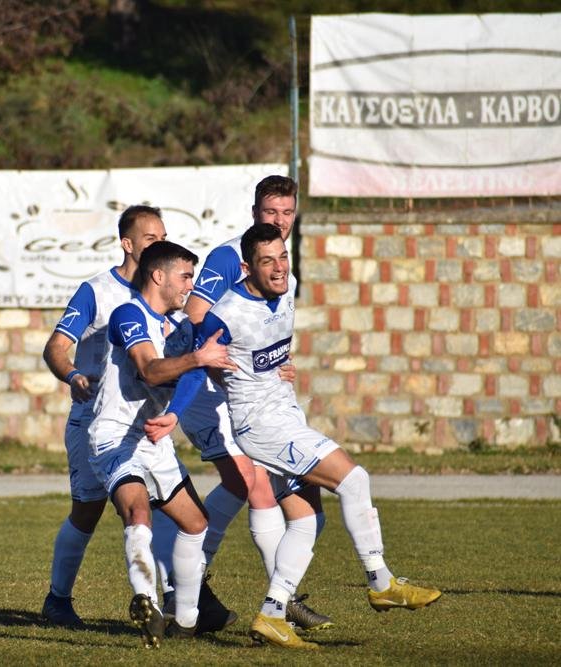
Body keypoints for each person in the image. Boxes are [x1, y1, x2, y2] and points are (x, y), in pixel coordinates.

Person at [147, 224, 441, 650]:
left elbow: (269, 346)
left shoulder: (287, 289)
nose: (279, 268)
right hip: (261, 426)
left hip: (286, 413)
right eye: (267, 262)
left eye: (283, 257)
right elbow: (198, 365)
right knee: (353, 479)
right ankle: (381, 581)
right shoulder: (224, 315)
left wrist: (282, 364)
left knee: (307, 518)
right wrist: (174, 413)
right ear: (247, 266)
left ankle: (273, 613)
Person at [177, 174, 333, 633]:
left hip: (254, 394)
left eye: (286, 213)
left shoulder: (283, 267)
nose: (280, 221)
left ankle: (191, 581)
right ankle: (282, 603)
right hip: (212, 391)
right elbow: (197, 318)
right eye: (270, 213)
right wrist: (221, 362)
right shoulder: (230, 256)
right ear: (254, 213)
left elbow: (268, 332)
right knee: (254, 483)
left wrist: (280, 362)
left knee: (258, 488)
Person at [88, 240, 234, 647]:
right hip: (116, 436)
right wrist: (198, 359)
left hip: (155, 439)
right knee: (137, 509)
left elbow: (193, 373)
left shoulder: (177, 328)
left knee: (196, 523)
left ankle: (185, 618)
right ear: (158, 276)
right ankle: (145, 597)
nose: (191, 285)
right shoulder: (128, 314)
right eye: (185, 276)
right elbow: (151, 371)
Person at [40, 205, 168, 628]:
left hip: (144, 426)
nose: (159, 244)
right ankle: (58, 600)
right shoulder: (96, 291)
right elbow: (56, 347)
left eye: (163, 236)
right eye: (150, 238)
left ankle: (177, 602)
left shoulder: (165, 294)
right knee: (88, 511)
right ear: (128, 244)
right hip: (95, 422)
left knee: (165, 510)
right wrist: (74, 374)